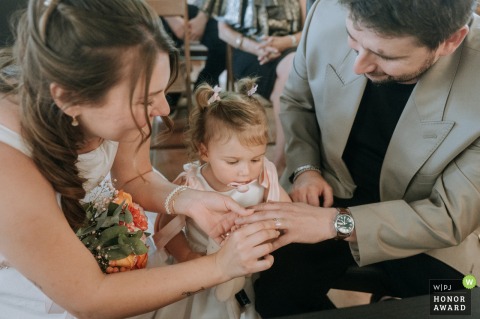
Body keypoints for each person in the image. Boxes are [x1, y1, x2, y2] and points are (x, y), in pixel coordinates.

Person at [0, 1, 281, 318]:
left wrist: (190, 200)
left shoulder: (124, 88)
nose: (163, 109)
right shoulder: (7, 162)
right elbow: (91, 297)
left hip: (113, 255)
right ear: (68, 98)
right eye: (146, 99)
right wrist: (218, 265)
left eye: (163, 90)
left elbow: (133, 176)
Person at [234, 0, 480, 317]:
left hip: (422, 226)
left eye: (386, 55)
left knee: (461, 307)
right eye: (353, 39)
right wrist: (305, 168)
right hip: (323, 193)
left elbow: (448, 217)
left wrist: (337, 223)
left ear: (451, 41)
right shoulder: (328, 11)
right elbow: (298, 101)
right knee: (270, 297)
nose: (358, 66)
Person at [152, 78, 291, 319]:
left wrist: (269, 229)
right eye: (233, 162)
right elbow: (167, 227)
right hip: (201, 268)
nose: (246, 171)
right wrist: (187, 256)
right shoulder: (192, 183)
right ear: (205, 151)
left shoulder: (265, 175)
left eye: (255, 158)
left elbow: (287, 213)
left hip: (244, 270)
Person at [215, 0, 307, 175]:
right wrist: (256, 47)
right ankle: (283, 161)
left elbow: (309, 29)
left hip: (288, 49)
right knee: (289, 80)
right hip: (248, 51)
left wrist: (285, 42)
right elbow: (222, 30)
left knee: (290, 73)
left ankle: (281, 160)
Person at [161, 0, 227, 109]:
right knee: (162, 42)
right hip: (156, 10)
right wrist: (170, 16)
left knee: (223, 39)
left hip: (200, 8)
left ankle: (203, 85)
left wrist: (202, 17)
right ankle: (171, 92)